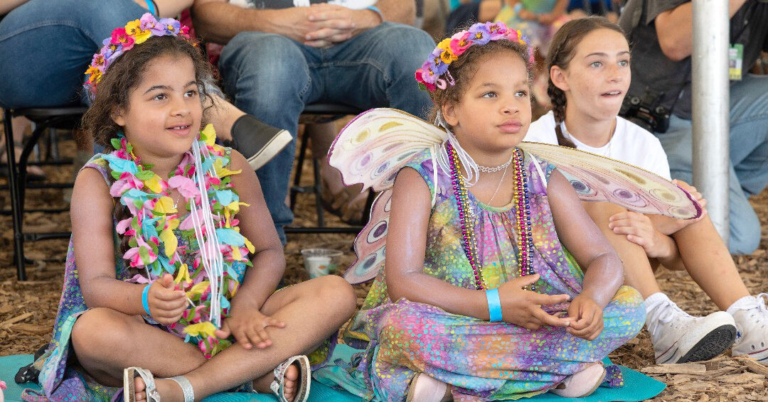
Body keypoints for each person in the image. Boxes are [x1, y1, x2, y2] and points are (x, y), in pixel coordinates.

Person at [23, 15, 357, 402]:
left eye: (191, 92)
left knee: (337, 293)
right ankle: (251, 373)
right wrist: (146, 299)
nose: (182, 108)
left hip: (231, 316)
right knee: (91, 332)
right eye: (160, 96)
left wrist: (245, 307)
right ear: (117, 110)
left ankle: (189, 387)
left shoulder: (230, 164)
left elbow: (269, 252)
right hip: (150, 332)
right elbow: (96, 287)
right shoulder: (98, 181)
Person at [313, 22, 645, 401]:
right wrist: (494, 305)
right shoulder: (423, 177)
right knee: (403, 327)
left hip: (539, 315)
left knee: (631, 307)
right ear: (451, 109)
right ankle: (558, 371)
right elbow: (403, 280)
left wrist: (593, 299)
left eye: (521, 92)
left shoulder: (543, 175)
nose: (511, 106)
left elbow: (603, 256)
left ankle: (451, 381)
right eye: (490, 94)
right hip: (452, 316)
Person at [525, 16, 768, 365]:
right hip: (562, 279)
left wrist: (657, 237)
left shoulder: (643, 144)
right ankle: (661, 324)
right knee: (605, 204)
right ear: (560, 77)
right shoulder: (536, 142)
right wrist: (642, 222)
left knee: (686, 207)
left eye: (622, 61)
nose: (615, 73)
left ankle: (748, 322)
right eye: (597, 63)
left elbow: (672, 259)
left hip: (627, 275)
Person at [192, 0, 435, 243]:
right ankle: (263, 245)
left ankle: (415, 236)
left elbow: (404, 6)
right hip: (264, 38)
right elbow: (205, 13)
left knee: (416, 49)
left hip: (365, 37)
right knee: (272, 65)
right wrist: (269, 21)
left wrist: (368, 17)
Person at [0, 0, 291, 171]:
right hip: (28, 55)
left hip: (115, 58)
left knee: (114, 16)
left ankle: (134, 238)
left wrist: (132, 10)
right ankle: (204, 102)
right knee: (102, 5)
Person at [618, 0, 768, 255]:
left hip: (710, 111)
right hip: (648, 121)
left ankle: (706, 195)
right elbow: (675, 42)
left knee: (728, 223)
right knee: (740, 236)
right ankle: (660, 213)